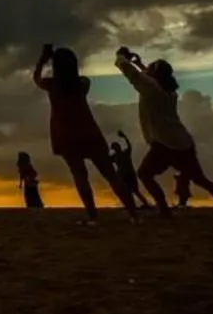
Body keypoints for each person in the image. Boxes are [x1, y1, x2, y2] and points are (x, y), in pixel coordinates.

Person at [116, 47, 213, 217]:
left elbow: (133, 74)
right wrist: (139, 62)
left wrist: (121, 56)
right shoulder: (170, 92)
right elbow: (147, 76)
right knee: (201, 180)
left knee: (145, 174)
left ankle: (163, 210)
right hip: (183, 142)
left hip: (164, 143)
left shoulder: (152, 89)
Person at [33, 45, 138, 223]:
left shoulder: (52, 85)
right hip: (89, 133)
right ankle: (134, 215)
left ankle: (92, 216)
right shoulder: (82, 84)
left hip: (66, 136)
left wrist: (43, 59)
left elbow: (36, 78)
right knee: (111, 175)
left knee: (80, 176)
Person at [110, 133, 146, 207]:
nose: (115, 148)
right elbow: (106, 160)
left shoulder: (125, 153)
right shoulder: (114, 156)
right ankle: (131, 205)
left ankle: (145, 204)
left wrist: (125, 137)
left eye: (115, 147)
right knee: (127, 192)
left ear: (119, 147)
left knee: (135, 191)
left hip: (130, 174)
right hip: (122, 175)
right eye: (114, 147)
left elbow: (129, 145)